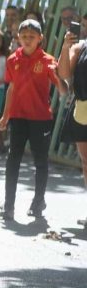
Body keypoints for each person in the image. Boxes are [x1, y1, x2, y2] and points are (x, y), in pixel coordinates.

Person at [0, 19, 67, 219]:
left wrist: (59, 77)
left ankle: (38, 201)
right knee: (13, 160)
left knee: (40, 161)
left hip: (40, 119)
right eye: (24, 37)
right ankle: (8, 204)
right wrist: (5, 115)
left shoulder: (47, 61)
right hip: (18, 118)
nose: (27, 40)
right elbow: (11, 88)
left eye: (32, 37)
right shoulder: (12, 60)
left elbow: (63, 90)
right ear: (18, 37)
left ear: (40, 39)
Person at [58, 22, 87, 202]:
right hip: (82, 112)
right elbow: (64, 74)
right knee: (86, 162)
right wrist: (65, 47)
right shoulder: (81, 46)